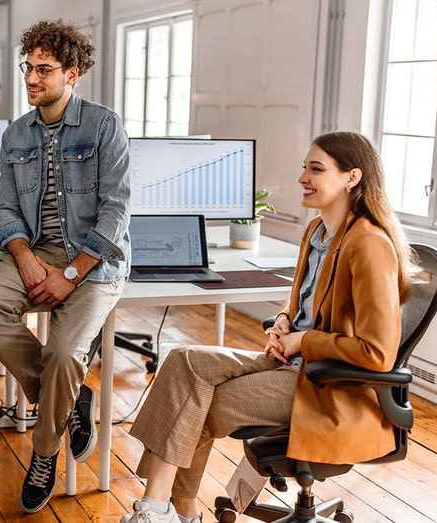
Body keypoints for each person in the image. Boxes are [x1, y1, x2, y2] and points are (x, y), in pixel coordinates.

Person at [120, 131, 417, 523]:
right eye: (303, 168)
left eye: (316, 169)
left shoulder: (369, 244)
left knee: (199, 403)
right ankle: (164, 510)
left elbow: (377, 354)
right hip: (294, 365)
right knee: (183, 361)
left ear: (352, 177)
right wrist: (282, 323)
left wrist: (303, 340)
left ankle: (171, 511)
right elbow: (300, 305)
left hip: (330, 388)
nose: (302, 178)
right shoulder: (317, 232)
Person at [0, 19, 132, 513]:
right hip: (34, 252)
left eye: (44, 69)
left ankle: (44, 450)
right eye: (28, 67)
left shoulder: (104, 125)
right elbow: (8, 208)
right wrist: (26, 258)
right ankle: (69, 401)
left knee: (64, 355)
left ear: (72, 74)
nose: (31, 78)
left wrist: (71, 273)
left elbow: (116, 209)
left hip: (94, 261)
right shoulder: (16, 134)